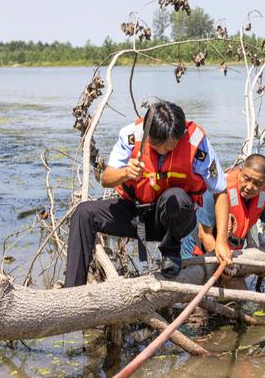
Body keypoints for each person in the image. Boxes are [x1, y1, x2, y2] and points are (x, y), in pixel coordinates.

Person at [64, 100, 232, 287]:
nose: (162, 151)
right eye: (156, 146)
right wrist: (125, 172)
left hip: (175, 219)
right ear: (147, 134)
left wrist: (222, 241)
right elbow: (106, 178)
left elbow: (220, 190)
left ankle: (170, 254)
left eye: (169, 148)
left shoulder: (197, 142)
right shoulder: (130, 135)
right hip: (137, 216)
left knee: (175, 198)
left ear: (181, 135)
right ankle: (73, 289)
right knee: (83, 212)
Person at [181, 153, 265, 279]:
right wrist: (223, 261)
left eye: (258, 183)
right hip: (197, 250)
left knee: (240, 296)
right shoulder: (217, 188)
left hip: (231, 252)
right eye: (246, 179)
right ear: (240, 172)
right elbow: (204, 234)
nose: (250, 187)